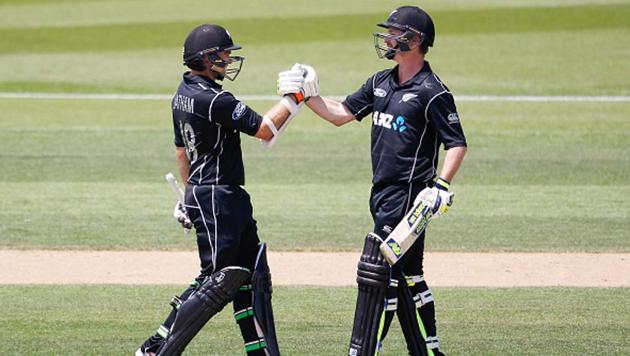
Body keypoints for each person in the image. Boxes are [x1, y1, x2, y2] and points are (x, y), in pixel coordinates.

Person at [278, 6, 467, 356]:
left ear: (415, 40)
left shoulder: (432, 91)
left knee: (380, 274)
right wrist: (307, 96)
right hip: (380, 192)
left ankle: (366, 349)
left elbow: (457, 144)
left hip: (409, 196)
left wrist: (440, 186)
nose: (388, 38)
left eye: (395, 33)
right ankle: (429, 350)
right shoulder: (380, 82)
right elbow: (342, 114)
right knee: (410, 275)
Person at [136, 23, 309, 356]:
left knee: (252, 274)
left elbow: (180, 151)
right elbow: (264, 129)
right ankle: (155, 348)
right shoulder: (213, 99)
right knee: (217, 280)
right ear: (204, 58)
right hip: (217, 197)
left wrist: (189, 197)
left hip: (217, 195)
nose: (228, 59)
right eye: (223, 54)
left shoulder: (183, 94)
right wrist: (296, 96)